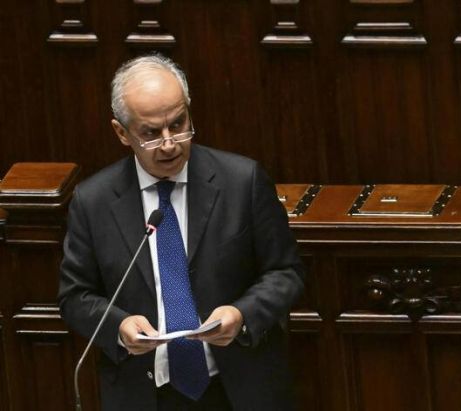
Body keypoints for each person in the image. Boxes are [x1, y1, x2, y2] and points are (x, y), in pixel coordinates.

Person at [58, 54, 305, 411]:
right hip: (144, 394)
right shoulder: (93, 201)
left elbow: (286, 272)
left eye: (178, 124)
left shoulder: (242, 181)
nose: (170, 143)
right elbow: (75, 296)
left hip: (238, 388)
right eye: (150, 133)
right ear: (121, 133)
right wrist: (119, 326)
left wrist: (242, 315)